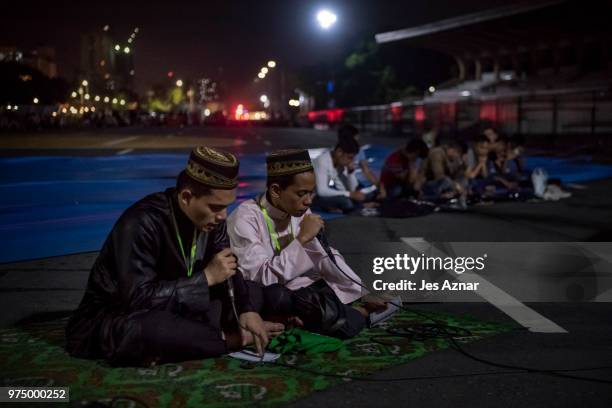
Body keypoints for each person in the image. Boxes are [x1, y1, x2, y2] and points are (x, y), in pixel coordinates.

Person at [65, 146, 283, 366]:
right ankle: (232, 339)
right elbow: (137, 299)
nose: (222, 216)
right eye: (216, 207)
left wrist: (246, 311)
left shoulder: (213, 221)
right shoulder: (140, 222)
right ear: (187, 197)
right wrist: (205, 278)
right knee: (152, 330)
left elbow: (229, 269)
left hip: (179, 307)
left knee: (252, 292)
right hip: (118, 317)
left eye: (226, 207)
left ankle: (196, 339)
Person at [227, 149, 385, 339]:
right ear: (276, 191)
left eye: (311, 193)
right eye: (302, 194)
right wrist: (302, 240)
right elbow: (262, 278)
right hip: (269, 293)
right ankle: (359, 315)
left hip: (300, 288)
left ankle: (328, 314)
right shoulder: (245, 219)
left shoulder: (299, 211)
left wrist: (360, 291)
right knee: (278, 296)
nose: (308, 201)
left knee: (328, 287)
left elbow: (326, 255)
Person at [311, 137, 368, 213]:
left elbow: (346, 189)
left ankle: (332, 207)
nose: (351, 161)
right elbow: (321, 191)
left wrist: (350, 173)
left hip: (319, 195)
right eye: (350, 158)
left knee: (359, 196)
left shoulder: (339, 164)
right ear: (339, 152)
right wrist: (350, 194)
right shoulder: (322, 161)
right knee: (346, 203)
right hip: (312, 196)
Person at [337, 124, 384, 198]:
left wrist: (379, 186)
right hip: (341, 184)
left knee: (371, 194)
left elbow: (366, 170)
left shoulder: (358, 150)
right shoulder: (338, 152)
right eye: (356, 138)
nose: (358, 140)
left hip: (353, 183)